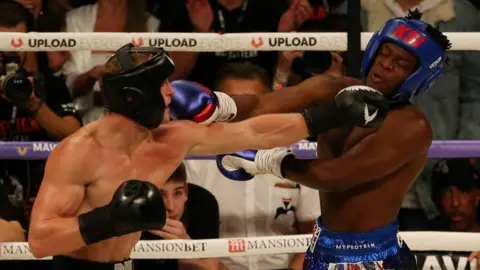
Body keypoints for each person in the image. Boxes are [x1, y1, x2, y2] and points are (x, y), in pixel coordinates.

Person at [28, 43, 387, 270]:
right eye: (162, 85)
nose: (172, 92)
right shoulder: (77, 153)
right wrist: (109, 218)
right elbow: (41, 240)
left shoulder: (172, 137)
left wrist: (331, 115)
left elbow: (255, 131)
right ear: (135, 96)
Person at [169, 9, 450, 269]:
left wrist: (267, 161)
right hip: (321, 247)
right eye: (385, 53)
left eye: (401, 63)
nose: (386, 65)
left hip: (374, 256)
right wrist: (219, 105)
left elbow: (336, 176)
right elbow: (262, 104)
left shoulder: (411, 127)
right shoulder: (335, 90)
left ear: (418, 75)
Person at [136, 162, 220, 269]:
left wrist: (186, 251)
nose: (170, 206)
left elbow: (210, 268)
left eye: (178, 193)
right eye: (160, 195)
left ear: (186, 192)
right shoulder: (129, 212)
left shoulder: (202, 203)